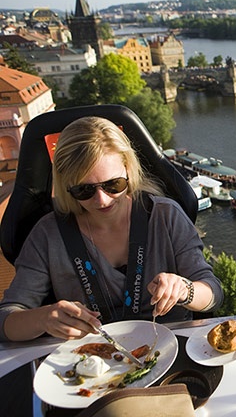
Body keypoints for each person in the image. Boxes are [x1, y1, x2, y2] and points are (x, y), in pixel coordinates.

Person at [0, 116, 224, 342]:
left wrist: (186, 289)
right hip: (92, 360)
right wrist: (42, 319)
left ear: (128, 170)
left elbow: (214, 294)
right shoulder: (47, 235)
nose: (102, 200)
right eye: (84, 190)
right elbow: (5, 320)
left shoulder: (166, 216)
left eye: (113, 185)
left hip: (169, 347)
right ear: (66, 186)